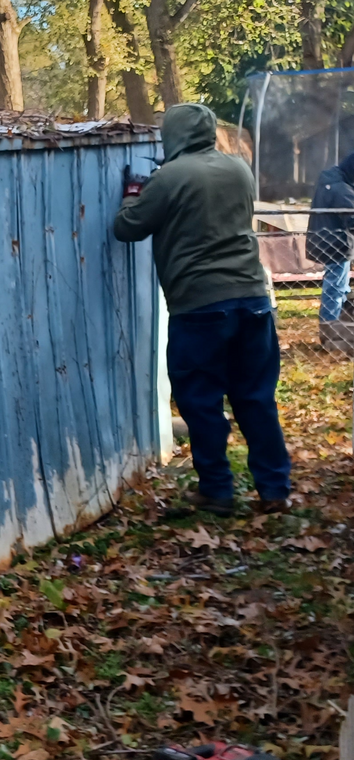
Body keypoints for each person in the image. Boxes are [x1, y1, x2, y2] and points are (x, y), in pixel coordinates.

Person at [113, 103, 291, 516]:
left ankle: (217, 490)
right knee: (256, 398)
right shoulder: (239, 169)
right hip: (253, 299)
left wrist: (132, 194)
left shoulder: (169, 178)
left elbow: (127, 228)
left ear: (172, 135)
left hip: (199, 305)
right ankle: (274, 488)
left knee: (201, 401)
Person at [306, 154, 354, 350]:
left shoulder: (330, 179)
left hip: (326, 239)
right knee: (335, 287)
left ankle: (343, 324)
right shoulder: (341, 189)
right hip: (336, 243)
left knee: (341, 286)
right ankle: (329, 331)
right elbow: (352, 217)